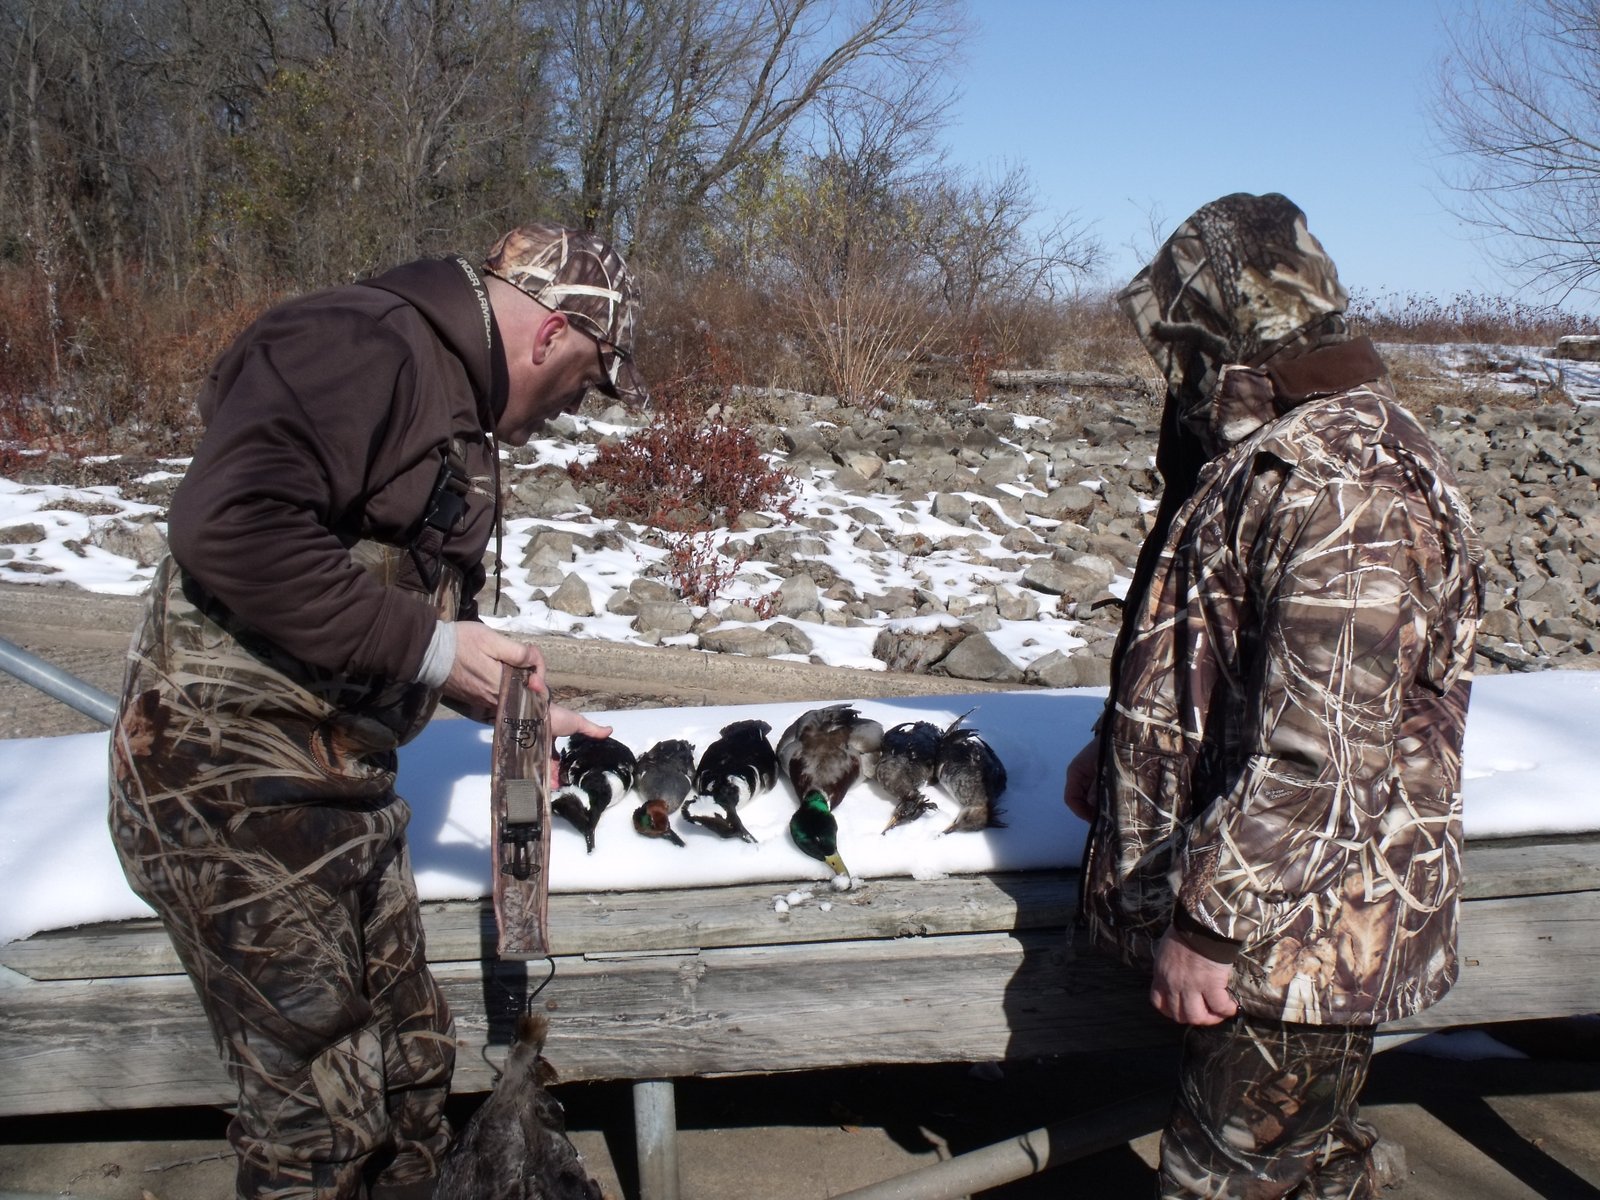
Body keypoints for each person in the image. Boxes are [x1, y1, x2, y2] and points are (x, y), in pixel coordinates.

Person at [107, 224, 647, 1200]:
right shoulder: (362, 342)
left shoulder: (450, 397)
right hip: (225, 788)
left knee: (410, 1075)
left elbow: (375, 590)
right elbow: (228, 527)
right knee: (321, 1127)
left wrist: (498, 697)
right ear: (551, 334)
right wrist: (436, 650)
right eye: (588, 376)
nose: (577, 407)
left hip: (334, 787)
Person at [1062, 193, 1483, 1199]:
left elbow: (1322, 747)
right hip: (1279, 926)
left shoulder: (1344, 485)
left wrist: (1211, 925)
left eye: (1184, 337)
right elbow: (1214, 651)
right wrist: (1111, 743)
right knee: (1306, 1170)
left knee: (1232, 1182)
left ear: (1229, 327)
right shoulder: (1274, 452)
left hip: (1301, 938)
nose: (1175, 368)